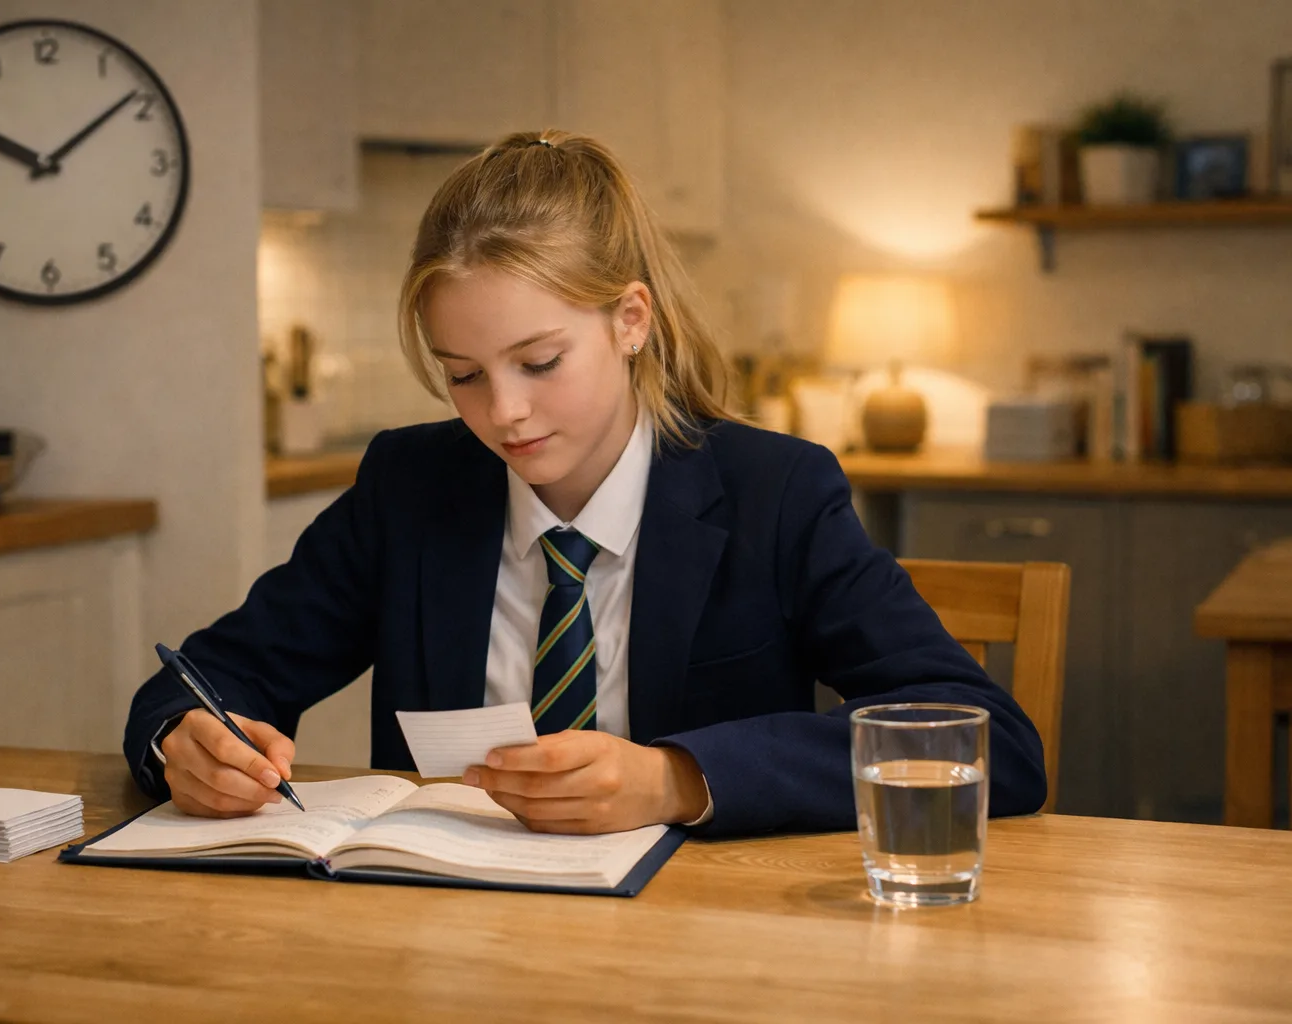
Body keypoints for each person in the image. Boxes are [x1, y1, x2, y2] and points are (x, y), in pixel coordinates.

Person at [123, 129, 1046, 837]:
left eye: (539, 361)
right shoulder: (412, 487)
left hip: (699, 959)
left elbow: (987, 741)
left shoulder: (777, 493)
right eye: (465, 374)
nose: (505, 413)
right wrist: (184, 745)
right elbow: (202, 681)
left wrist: (676, 779)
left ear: (631, 320)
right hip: (445, 955)